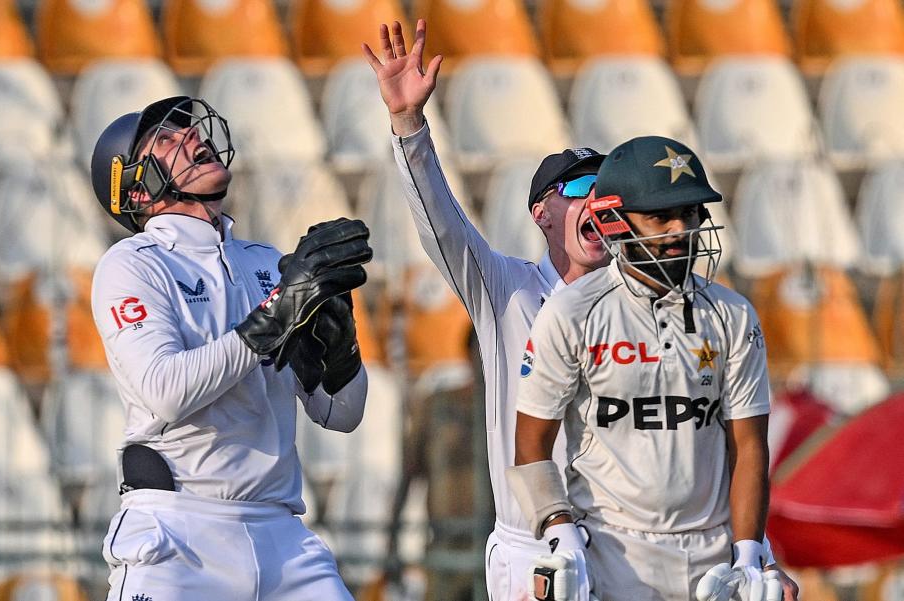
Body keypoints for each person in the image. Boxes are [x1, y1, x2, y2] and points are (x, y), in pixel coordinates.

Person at [363, 20, 798, 601]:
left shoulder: (670, 302)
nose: (592, 198)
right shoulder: (507, 290)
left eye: (603, 187)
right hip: (535, 544)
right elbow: (440, 222)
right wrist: (407, 125)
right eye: (574, 189)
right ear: (540, 213)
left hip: (634, 547)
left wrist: (752, 553)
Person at [88, 96, 372, 600]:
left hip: (283, 536)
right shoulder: (131, 264)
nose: (192, 137)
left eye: (187, 130)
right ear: (137, 187)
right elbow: (167, 391)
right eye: (167, 140)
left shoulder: (266, 263)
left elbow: (341, 414)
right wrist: (279, 312)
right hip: (178, 537)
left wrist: (341, 348)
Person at [508, 135, 792, 601]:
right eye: (660, 216)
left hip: (713, 558)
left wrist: (750, 554)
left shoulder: (733, 315)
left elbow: (747, 445)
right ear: (614, 221)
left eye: (690, 212)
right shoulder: (571, 313)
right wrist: (560, 534)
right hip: (612, 552)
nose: (680, 229)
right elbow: (531, 442)